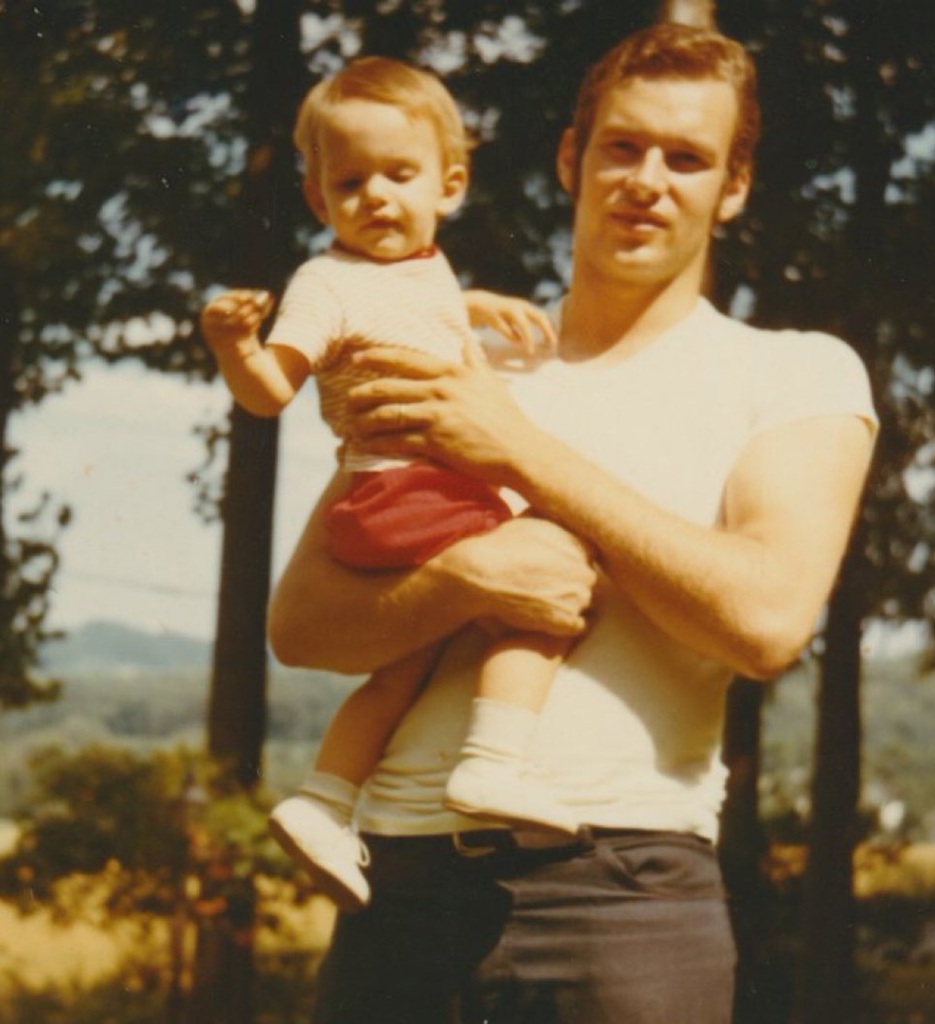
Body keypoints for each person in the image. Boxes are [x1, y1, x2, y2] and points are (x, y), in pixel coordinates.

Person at [268, 22, 879, 1024]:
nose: (646, 178)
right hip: (398, 885)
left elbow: (766, 619)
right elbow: (302, 624)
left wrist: (517, 452)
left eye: (686, 158)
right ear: (571, 158)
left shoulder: (794, 371)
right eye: (621, 147)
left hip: (621, 890)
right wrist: (467, 580)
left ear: (732, 187)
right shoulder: (455, 356)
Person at [201, 57, 582, 912]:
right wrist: (235, 349)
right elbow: (271, 393)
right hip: (401, 489)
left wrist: (474, 305)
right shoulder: (324, 285)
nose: (376, 196)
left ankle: (325, 800)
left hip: (397, 500)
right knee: (550, 570)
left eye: (398, 175)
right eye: (351, 182)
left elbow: (412, 305)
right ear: (317, 201)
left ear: (448, 185)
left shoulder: (421, 267)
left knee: (404, 663)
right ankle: (494, 762)